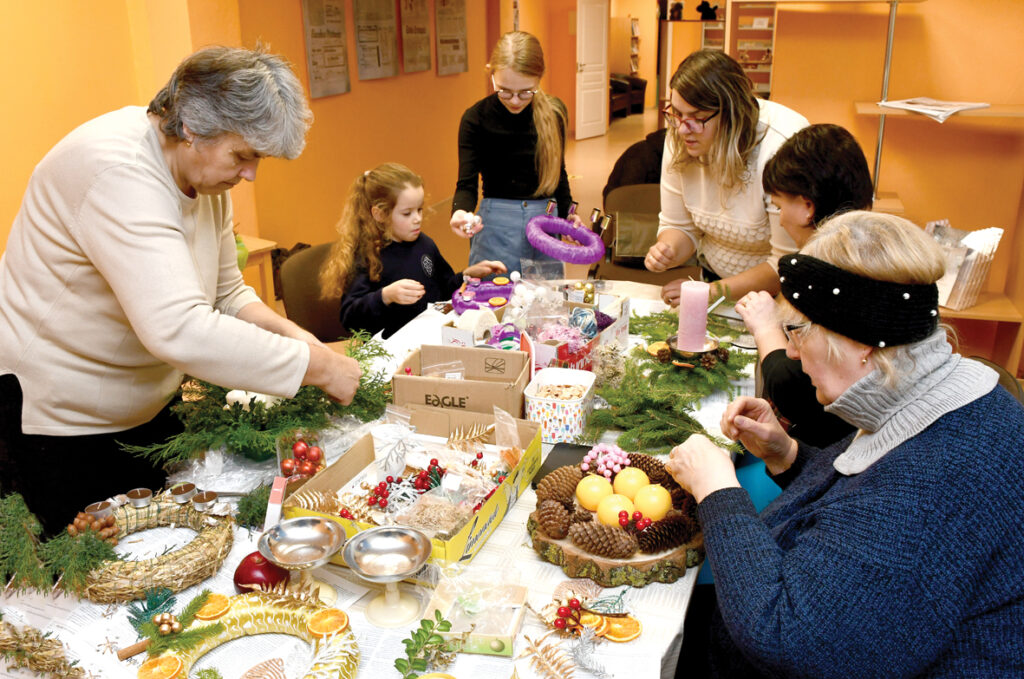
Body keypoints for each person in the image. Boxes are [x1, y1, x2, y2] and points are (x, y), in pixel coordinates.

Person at [0, 46, 362, 535]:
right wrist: (317, 368)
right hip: (64, 420)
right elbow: (178, 328)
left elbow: (227, 294)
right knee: (94, 579)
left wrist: (298, 337)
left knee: (164, 552)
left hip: (146, 404)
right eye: (243, 155)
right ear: (192, 128)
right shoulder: (116, 170)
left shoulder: (203, 176)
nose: (251, 173)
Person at [667, 211, 1024, 677]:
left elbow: (789, 637)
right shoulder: (941, 393)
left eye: (799, 332)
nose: (791, 352)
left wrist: (717, 490)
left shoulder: (940, 475)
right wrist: (788, 456)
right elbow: (864, 503)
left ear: (860, 344)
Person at [734, 124, 872, 447]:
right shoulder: (873, 246)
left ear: (807, 207)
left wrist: (766, 328)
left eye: (780, 206)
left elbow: (794, 389)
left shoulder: (826, 275)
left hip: (832, 450)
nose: (780, 218)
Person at [644, 49, 808, 307]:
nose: (682, 129)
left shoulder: (781, 146)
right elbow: (681, 227)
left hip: (779, 297)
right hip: (715, 283)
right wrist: (669, 249)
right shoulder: (681, 135)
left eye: (697, 118)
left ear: (733, 115)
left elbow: (788, 265)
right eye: (676, 113)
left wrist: (711, 292)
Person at [449, 31, 580, 275]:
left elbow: (558, 174)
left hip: (546, 223)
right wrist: (460, 211)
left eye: (526, 92)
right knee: (493, 302)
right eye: (505, 91)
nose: (516, 101)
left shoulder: (553, 115)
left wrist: (570, 215)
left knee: (546, 303)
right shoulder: (475, 119)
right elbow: (466, 184)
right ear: (492, 75)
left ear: (539, 79)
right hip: (496, 227)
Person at [324, 163, 505, 339]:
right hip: (391, 352)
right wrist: (385, 296)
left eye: (419, 210)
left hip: (429, 336)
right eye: (407, 213)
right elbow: (350, 318)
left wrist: (467, 274)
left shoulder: (424, 244)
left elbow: (443, 290)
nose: (417, 219)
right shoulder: (367, 256)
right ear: (380, 214)